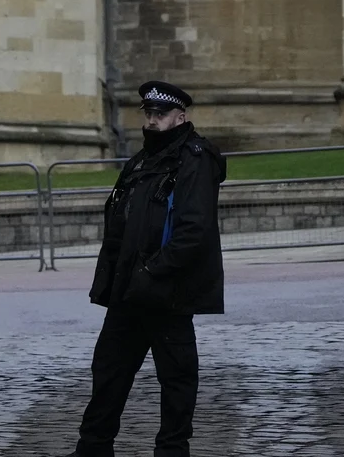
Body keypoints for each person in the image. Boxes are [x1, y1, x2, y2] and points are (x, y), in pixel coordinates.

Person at [62, 80, 227, 457]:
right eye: (148, 114)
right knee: (107, 372)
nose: (152, 121)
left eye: (161, 114)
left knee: (177, 380)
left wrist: (153, 271)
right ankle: (93, 449)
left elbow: (193, 231)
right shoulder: (140, 162)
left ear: (180, 117)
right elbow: (120, 223)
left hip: (168, 292)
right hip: (130, 291)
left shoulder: (195, 159)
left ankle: (172, 451)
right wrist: (117, 278)